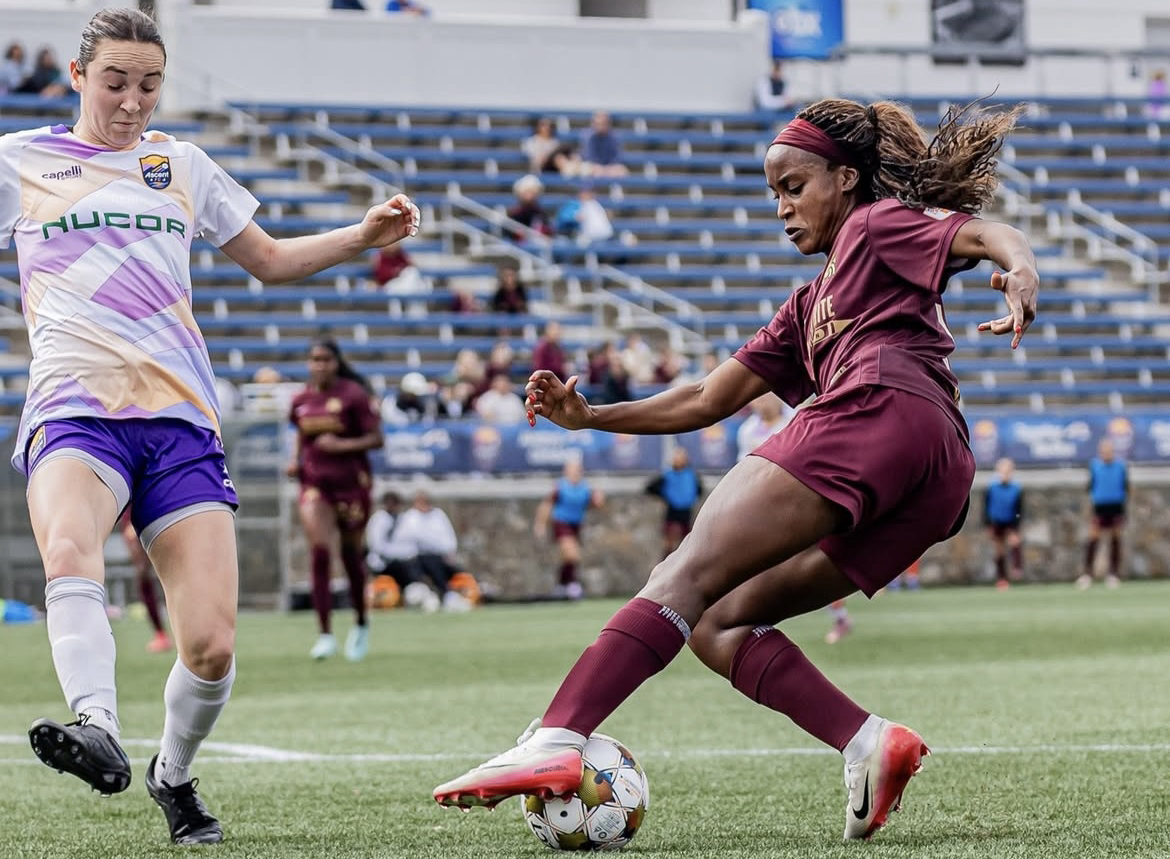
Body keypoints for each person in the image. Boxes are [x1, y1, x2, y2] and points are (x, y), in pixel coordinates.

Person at [433, 96, 1037, 842]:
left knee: (683, 574)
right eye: (774, 192)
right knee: (718, 619)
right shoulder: (808, 305)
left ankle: (557, 737)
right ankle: (868, 742)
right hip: (937, 472)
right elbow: (707, 397)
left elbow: (983, 232)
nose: (782, 207)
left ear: (846, 178)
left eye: (795, 186)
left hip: (880, 405)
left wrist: (1019, 268)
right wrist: (591, 417)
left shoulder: (873, 227)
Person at [2, 7, 419, 845]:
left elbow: (268, 259)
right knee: (70, 548)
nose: (132, 101)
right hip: (74, 407)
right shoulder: (19, 160)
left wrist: (361, 236)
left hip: (180, 421)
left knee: (212, 646)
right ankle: (97, 724)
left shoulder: (182, 164)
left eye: (149, 84)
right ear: (77, 77)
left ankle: (173, 774)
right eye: (115, 82)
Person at [288, 339, 384, 662]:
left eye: (325, 359)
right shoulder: (301, 399)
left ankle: (361, 623)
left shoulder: (353, 395)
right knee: (319, 550)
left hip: (352, 485)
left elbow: (377, 439)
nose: (319, 365)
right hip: (315, 484)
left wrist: (339, 446)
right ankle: (325, 634)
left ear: (336, 362)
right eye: (314, 359)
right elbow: (300, 433)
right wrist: (295, 460)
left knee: (351, 555)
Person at [534, 458, 604, 600]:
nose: (575, 473)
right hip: (561, 523)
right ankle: (573, 584)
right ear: (566, 472)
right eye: (572, 470)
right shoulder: (560, 487)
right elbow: (546, 505)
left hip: (576, 525)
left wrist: (598, 501)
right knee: (573, 554)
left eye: (577, 470)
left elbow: (593, 505)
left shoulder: (585, 489)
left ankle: (561, 585)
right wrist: (540, 524)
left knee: (567, 558)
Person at [117, 508, 173, 653]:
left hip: (157, 511)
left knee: (171, 571)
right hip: (131, 517)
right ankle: (160, 633)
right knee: (143, 574)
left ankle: (178, 629)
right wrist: (129, 522)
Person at [1077, 438, 1128, 590]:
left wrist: (1124, 508)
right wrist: (1089, 507)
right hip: (1099, 506)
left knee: (1115, 538)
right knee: (1093, 539)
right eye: (1103, 451)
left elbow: (1126, 486)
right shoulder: (1094, 466)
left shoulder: (1120, 466)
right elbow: (1089, 487)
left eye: (1109, 450)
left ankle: (1113, 574)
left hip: (1116, 506)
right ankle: (1087, 574)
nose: (1106, 453)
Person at [644, 447, 703, 558]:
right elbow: (650, 488)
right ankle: (666, 561)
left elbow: (699, 490)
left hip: (686, 511)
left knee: (686, 540)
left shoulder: (691, 475)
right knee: (669, 540)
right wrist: (665, 496)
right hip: (672, 510)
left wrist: (690, 498)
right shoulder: (667, 475)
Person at [984, 456, 1023, 589]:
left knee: (1015, 542)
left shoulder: (1016, 488)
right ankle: (1002, 578)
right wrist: (988, 524)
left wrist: (1017, 524)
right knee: (999, 551)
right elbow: (986, 506)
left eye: (1008, 470)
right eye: (1003, 470)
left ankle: (1017, 567)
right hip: (996, 521)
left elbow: (1019, 509)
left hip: (1011, 521)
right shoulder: (992, 487)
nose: (1005, 473)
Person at [735, 393, 791, 461]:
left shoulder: (794, 422)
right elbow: (743, 458)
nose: (762, 398)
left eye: (767, 395)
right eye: (757, 397)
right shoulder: (747, 428)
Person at [580, 110, 628, 178]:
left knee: (622, 171)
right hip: (594, 167)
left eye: (603, 124)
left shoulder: (614, 137)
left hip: (610, 168)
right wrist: (598, 168)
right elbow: (588, 157)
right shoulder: (588, 137)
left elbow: (617, 158)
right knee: (587, 169)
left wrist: (606, 169)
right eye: (597, 124)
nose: (600, 127)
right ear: (593, 124)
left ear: (608, 124)